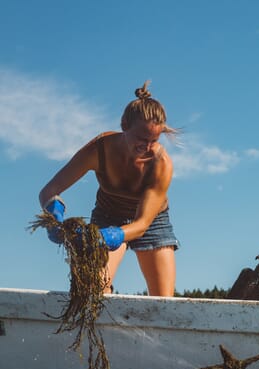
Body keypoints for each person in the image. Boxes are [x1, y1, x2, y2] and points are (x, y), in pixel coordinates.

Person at [39, 81, 180, 297]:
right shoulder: (100, 149)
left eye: (154, 140)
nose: (147, 147)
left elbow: (141, 225)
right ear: (124, 125)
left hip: (152, 223)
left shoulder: (161, 163)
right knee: (92, 290)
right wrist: (54, 217)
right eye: (141, 139)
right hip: (108, 215)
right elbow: (49, 191)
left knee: (163, 303)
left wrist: (112, 235)